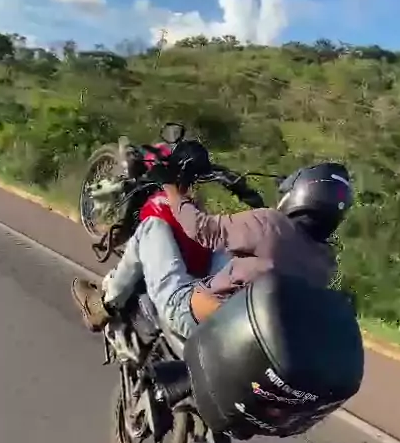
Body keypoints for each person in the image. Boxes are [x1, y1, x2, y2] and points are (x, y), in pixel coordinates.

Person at [71, 142, 352, 338]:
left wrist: (170, 186)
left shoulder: (270, 224)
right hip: (242, 329)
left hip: (190, 313)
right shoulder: (325, 261)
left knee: (151, 228)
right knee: (226, 251)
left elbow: (202, 229)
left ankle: (104, 305)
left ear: (300, 194)